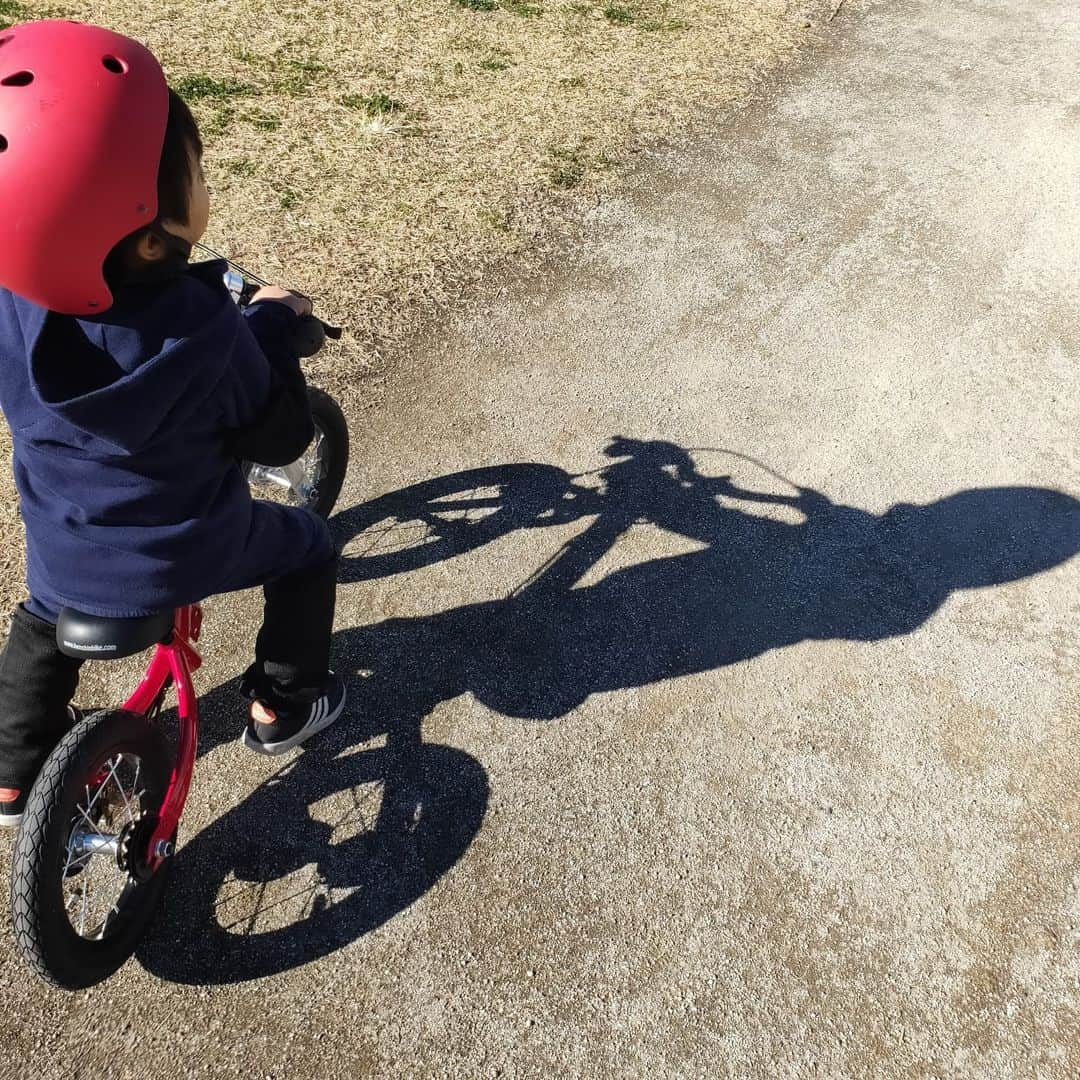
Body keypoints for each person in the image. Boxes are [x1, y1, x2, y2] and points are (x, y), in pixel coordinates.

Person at [0, 20, 345, 826]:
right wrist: (270, 325)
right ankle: (282, 705)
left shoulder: (13, 308)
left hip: (66, 555)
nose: (203, 179)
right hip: (187, 550)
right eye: (195, 169)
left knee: (38, 620)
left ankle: (14, 774)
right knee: (308, 549)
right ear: (154, 236)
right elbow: (282, 437)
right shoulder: (207, 333)